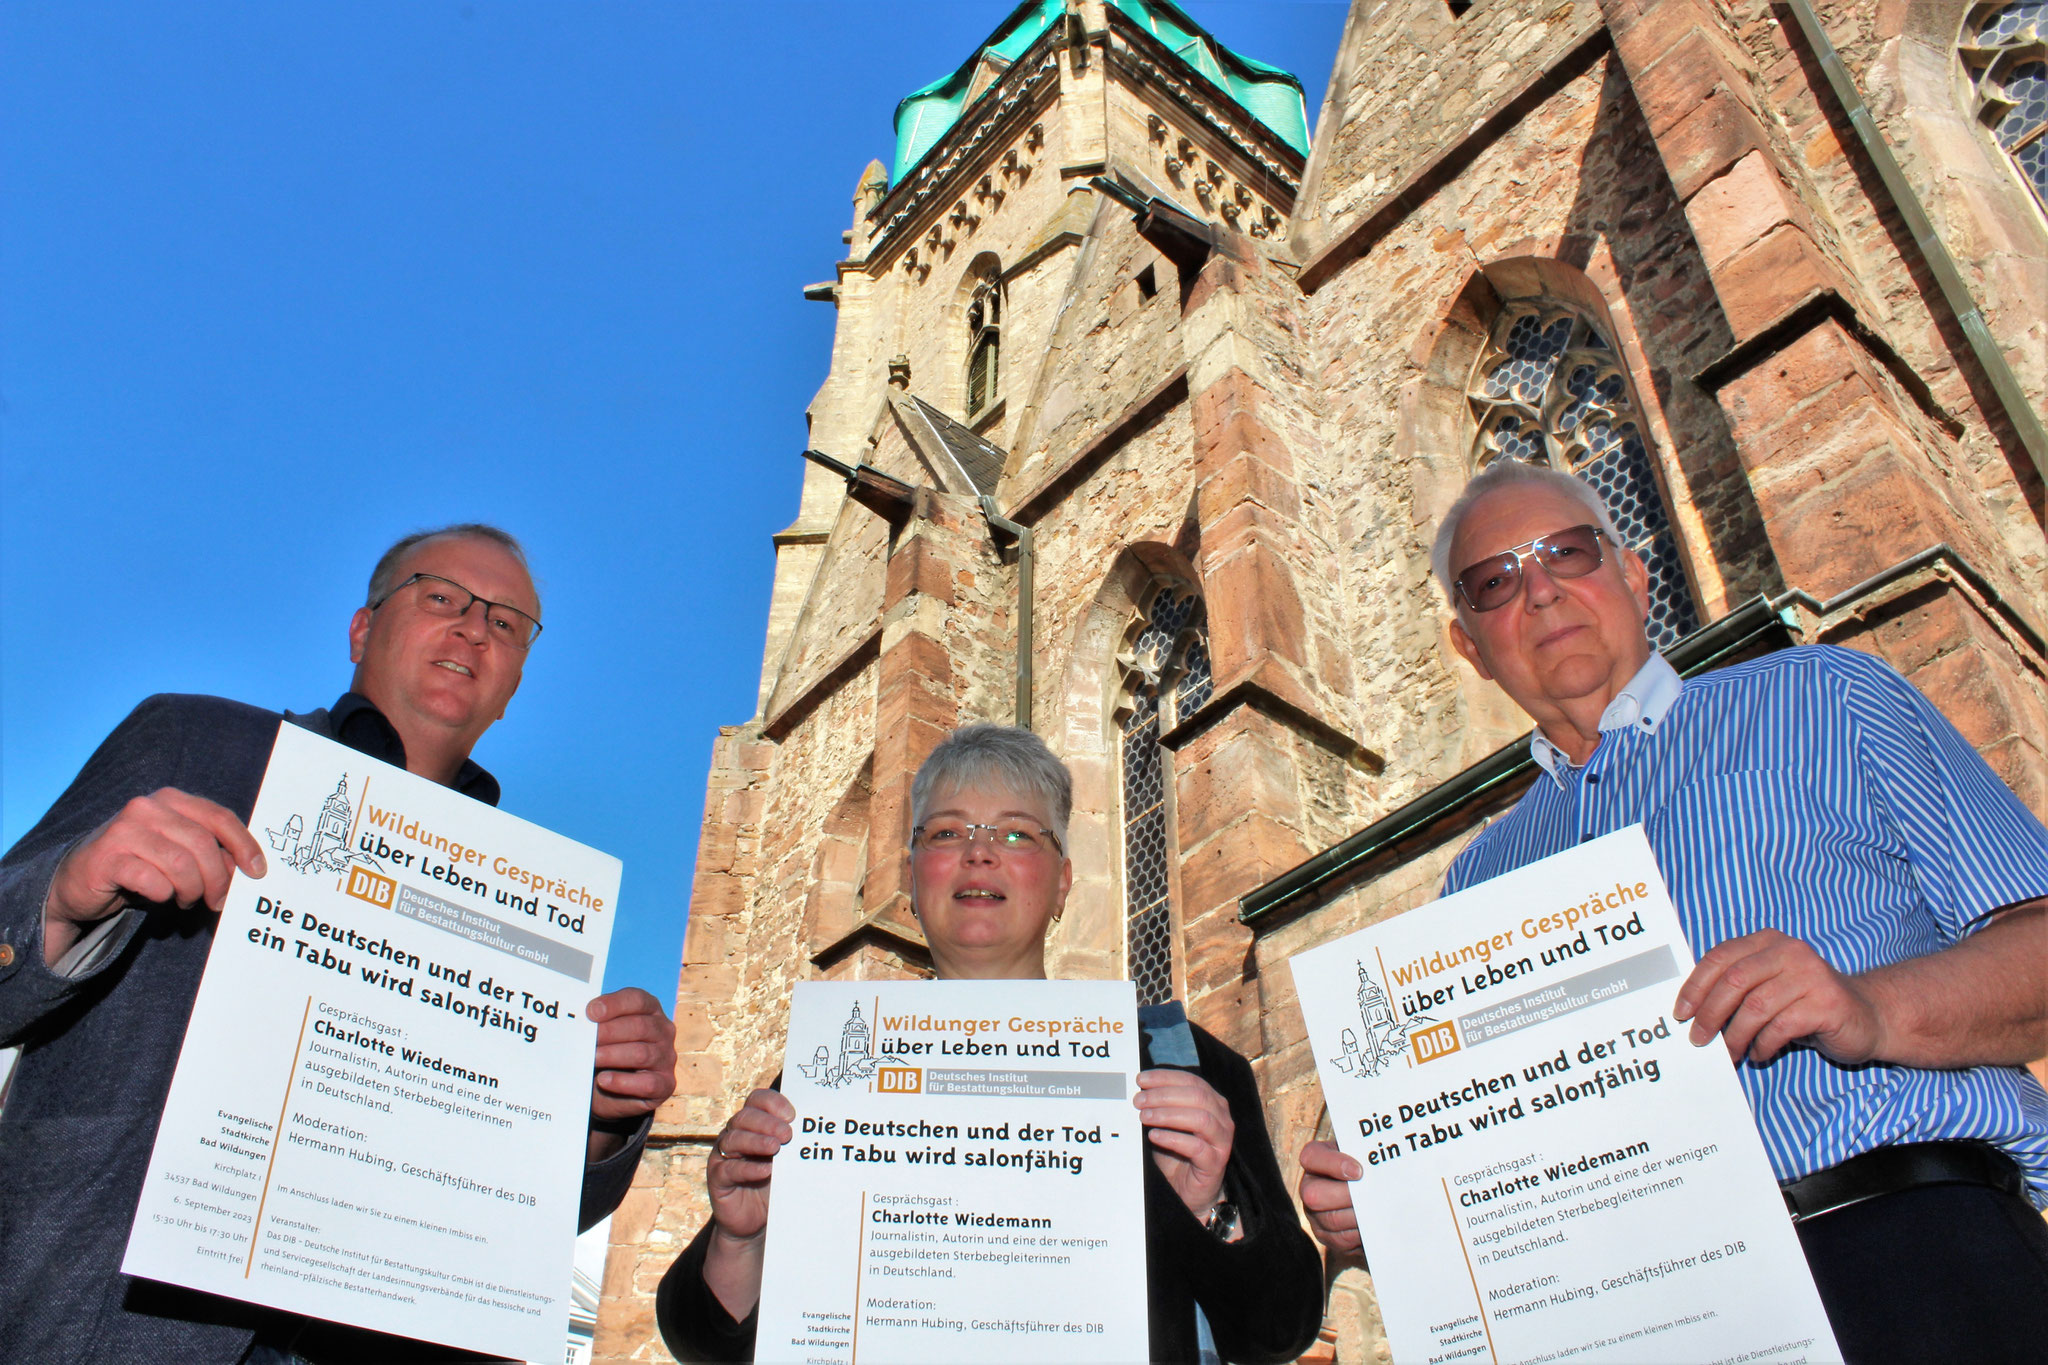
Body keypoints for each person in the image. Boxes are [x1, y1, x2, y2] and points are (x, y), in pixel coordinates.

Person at [1296, 461, 2048, 1363]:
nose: (1538, 592)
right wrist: (1379, 1203)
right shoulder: (1477, 880)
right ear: (1469, 644)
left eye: (1567, 553)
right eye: (1495, 581)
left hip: (1903, 1253)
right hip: (1638, 1320)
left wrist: (1871, 1006)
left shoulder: (1826, 697)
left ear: (1634, 574)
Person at [0, 524, 680, 1364]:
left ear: (512, 686)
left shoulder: (522, 902)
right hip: (108, 1313)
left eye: (507, 623)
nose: (475, 627)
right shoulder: (196, 742)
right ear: (363, 630)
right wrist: (65, 892)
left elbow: (510, 1206)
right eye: (443, 597)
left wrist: (602, 1115)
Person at [657, 724, 1323, 1364]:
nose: (980, 851)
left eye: (1015, 832)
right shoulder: (833, 1073)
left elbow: (1281, 1328)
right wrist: (741, 1239)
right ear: (913, 878)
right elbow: (701, 1339)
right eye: (947, 832)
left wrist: (1213, 1209)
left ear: (1062, 882)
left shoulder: (1186, 1065)